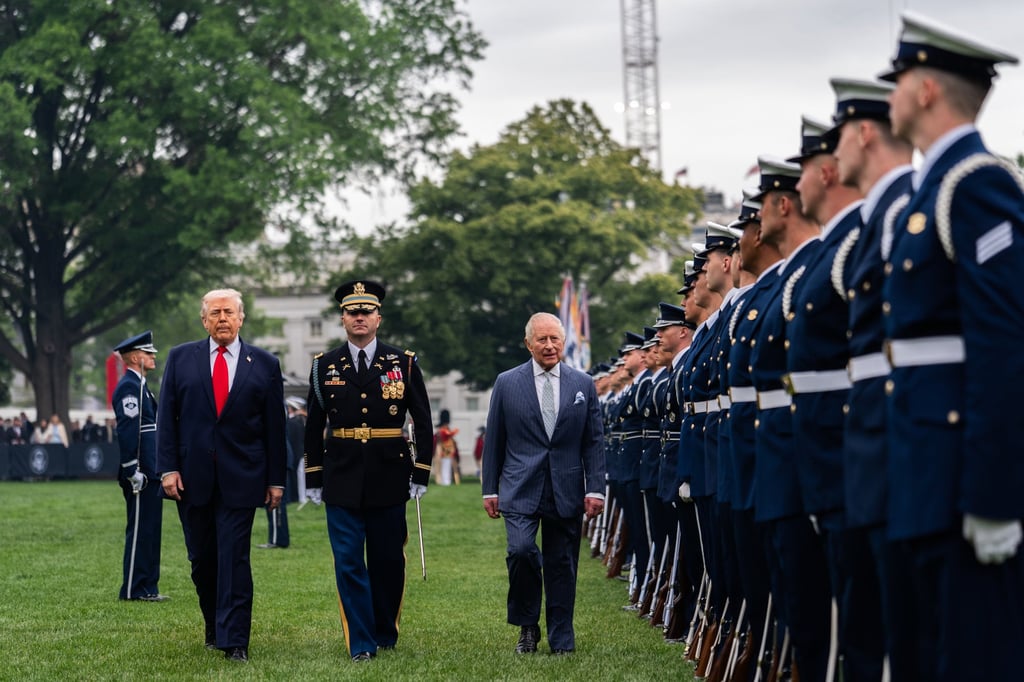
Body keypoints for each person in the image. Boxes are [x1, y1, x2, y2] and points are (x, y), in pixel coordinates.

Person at [879, 12, 1023, 680]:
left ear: (927, 90)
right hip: (919, 470)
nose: (890, 96)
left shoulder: (976, 184)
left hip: (958, 476)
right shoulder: (932, 190)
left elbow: (1003, 346)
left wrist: (994, 498)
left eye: (898, 78)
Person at [303, 279, 433, 663]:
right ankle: (360, 642)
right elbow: (313, 426)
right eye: (352, 312)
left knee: (387, 560)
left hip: (389, 474)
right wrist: (313, 477)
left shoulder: (403, 363)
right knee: (348, 561)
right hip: (341, 476)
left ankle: (383, 629)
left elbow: (422, 423)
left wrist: (421, 472)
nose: (359, 318)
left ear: (378, 317)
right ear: (343, 319)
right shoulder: (323, 366)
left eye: (366, 312)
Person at [157, 288, 287, 663]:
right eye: (215, 313)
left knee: (234, 559)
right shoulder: (181, 359)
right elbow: (168, 418)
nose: (222, 319)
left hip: (243, 477)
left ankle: (235, 641)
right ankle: (214, 625)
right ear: (204, 320)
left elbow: (274, 429)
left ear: (241, 318)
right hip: (191, 478)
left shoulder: (263, 363)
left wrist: (276, 480)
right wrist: (168, 469)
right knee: (202, 560)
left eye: (229, 312)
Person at [481, 312, 606, 655]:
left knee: (562, 563)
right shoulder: (507, 383)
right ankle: (527, 626)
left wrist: (595, 488)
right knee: (520, 551)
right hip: (520, 486)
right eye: (542, 339)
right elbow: (495, 440)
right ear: (528, 343)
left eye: (555, 339)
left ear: (563, 342)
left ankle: (562, 636)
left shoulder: (583, 384)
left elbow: (593, 441)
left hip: (566, 487)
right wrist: (489, 488)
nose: (549, 346)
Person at [111, 330, 166, 602]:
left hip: (150, 469)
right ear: (134, 357)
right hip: (140, 472)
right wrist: (132, 469)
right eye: (148, 353)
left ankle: (148, 587)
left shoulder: (141, 385)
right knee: (140, 531)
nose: (153, 356)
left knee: (151, 530)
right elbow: (127, 430)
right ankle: (134, 589)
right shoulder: (129, 388)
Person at [433, 409, 460, 485]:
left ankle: (445, 481)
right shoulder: (443, 431)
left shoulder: (442, 430)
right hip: (443, 450)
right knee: (444, 466)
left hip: (446, 450)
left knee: (446, 466)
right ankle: (444, 481)